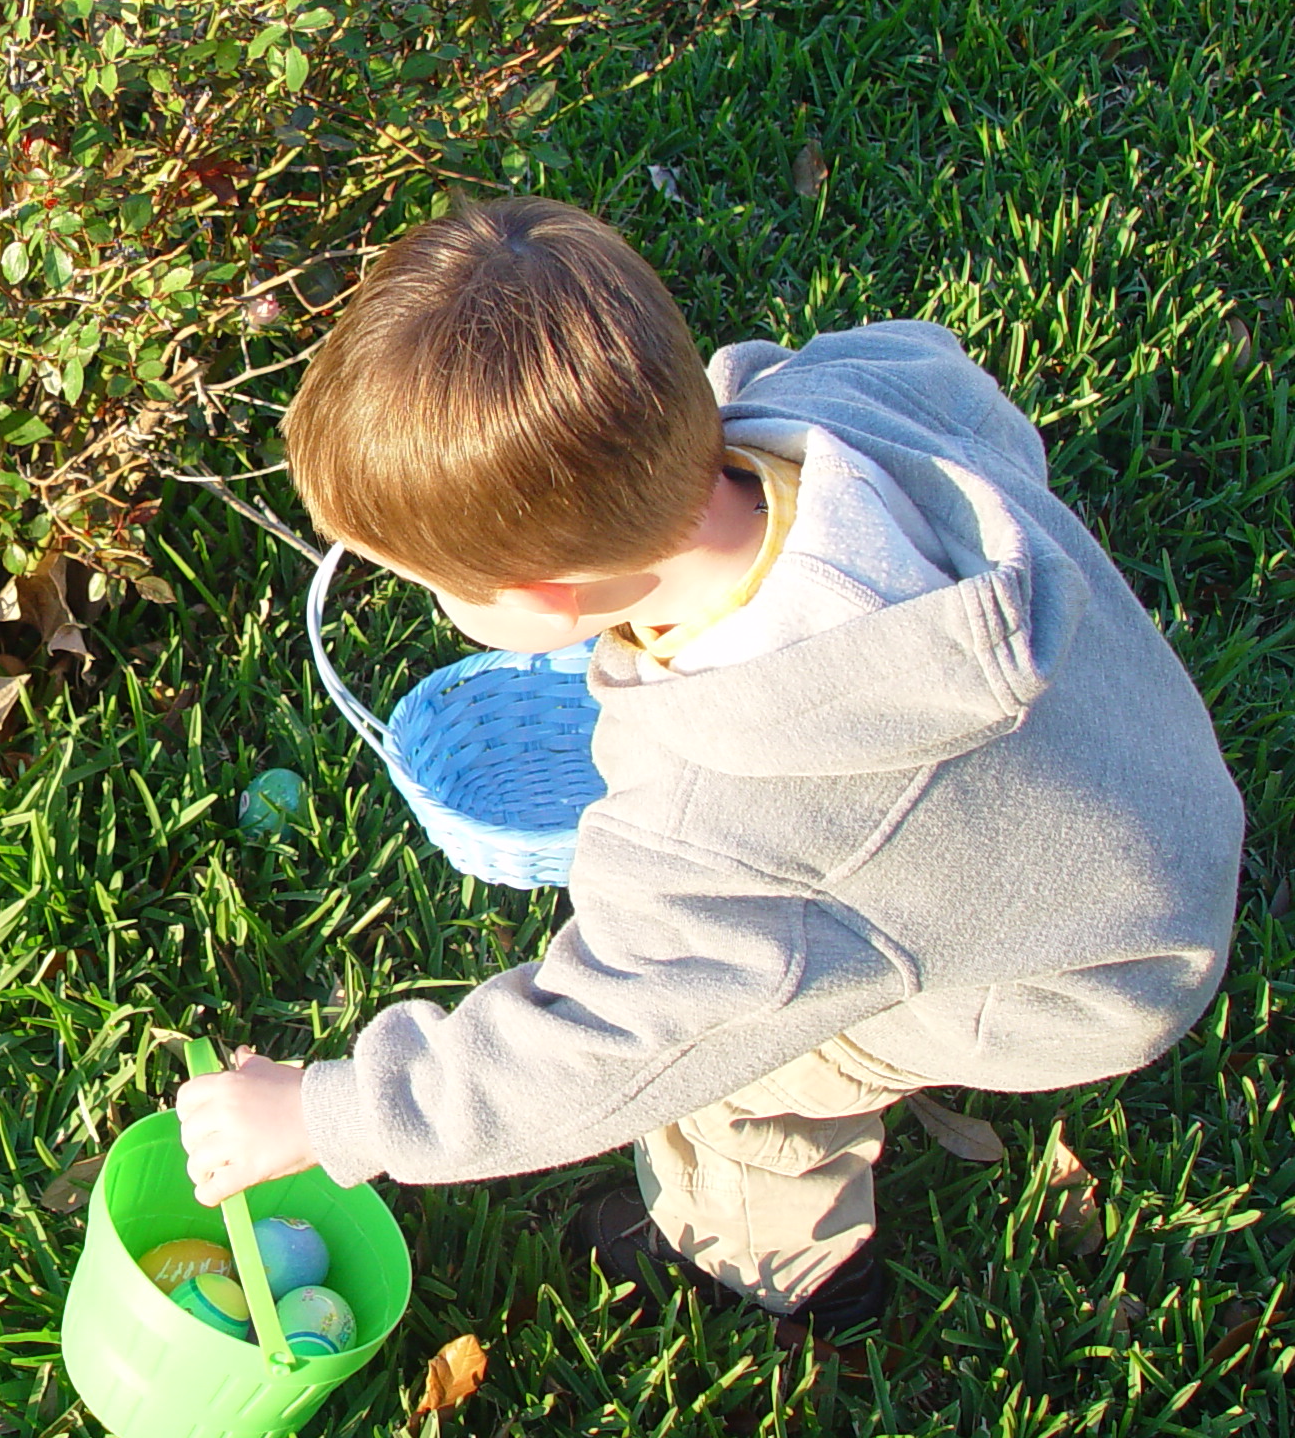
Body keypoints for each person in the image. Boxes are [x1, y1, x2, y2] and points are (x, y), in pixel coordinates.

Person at [176, 196, 1244, 1332]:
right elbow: (951, 379)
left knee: (733, 1073)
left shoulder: (727, 824)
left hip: (1079, 974)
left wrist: (329, 1114)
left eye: (439, 588)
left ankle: (773, 1268)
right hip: (1152, 786)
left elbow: (597, 1049)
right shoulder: (846, 407)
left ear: (539, 601)